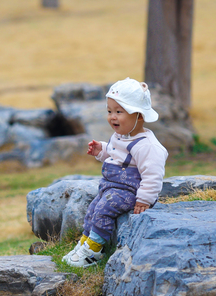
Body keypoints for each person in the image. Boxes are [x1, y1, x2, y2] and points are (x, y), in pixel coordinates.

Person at [62, 78, 168, 268]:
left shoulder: (147, 146)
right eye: (110, 111)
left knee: (103, 210)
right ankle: (84, 243)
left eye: (119, 112)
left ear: (139, 115)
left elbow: (153, 175)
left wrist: (144, 199)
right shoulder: (120, 136)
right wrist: (101, 150)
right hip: (110, 188)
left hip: (129, 193)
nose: (112, 117)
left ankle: (94, 250)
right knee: (93, 209)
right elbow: (115, 154)